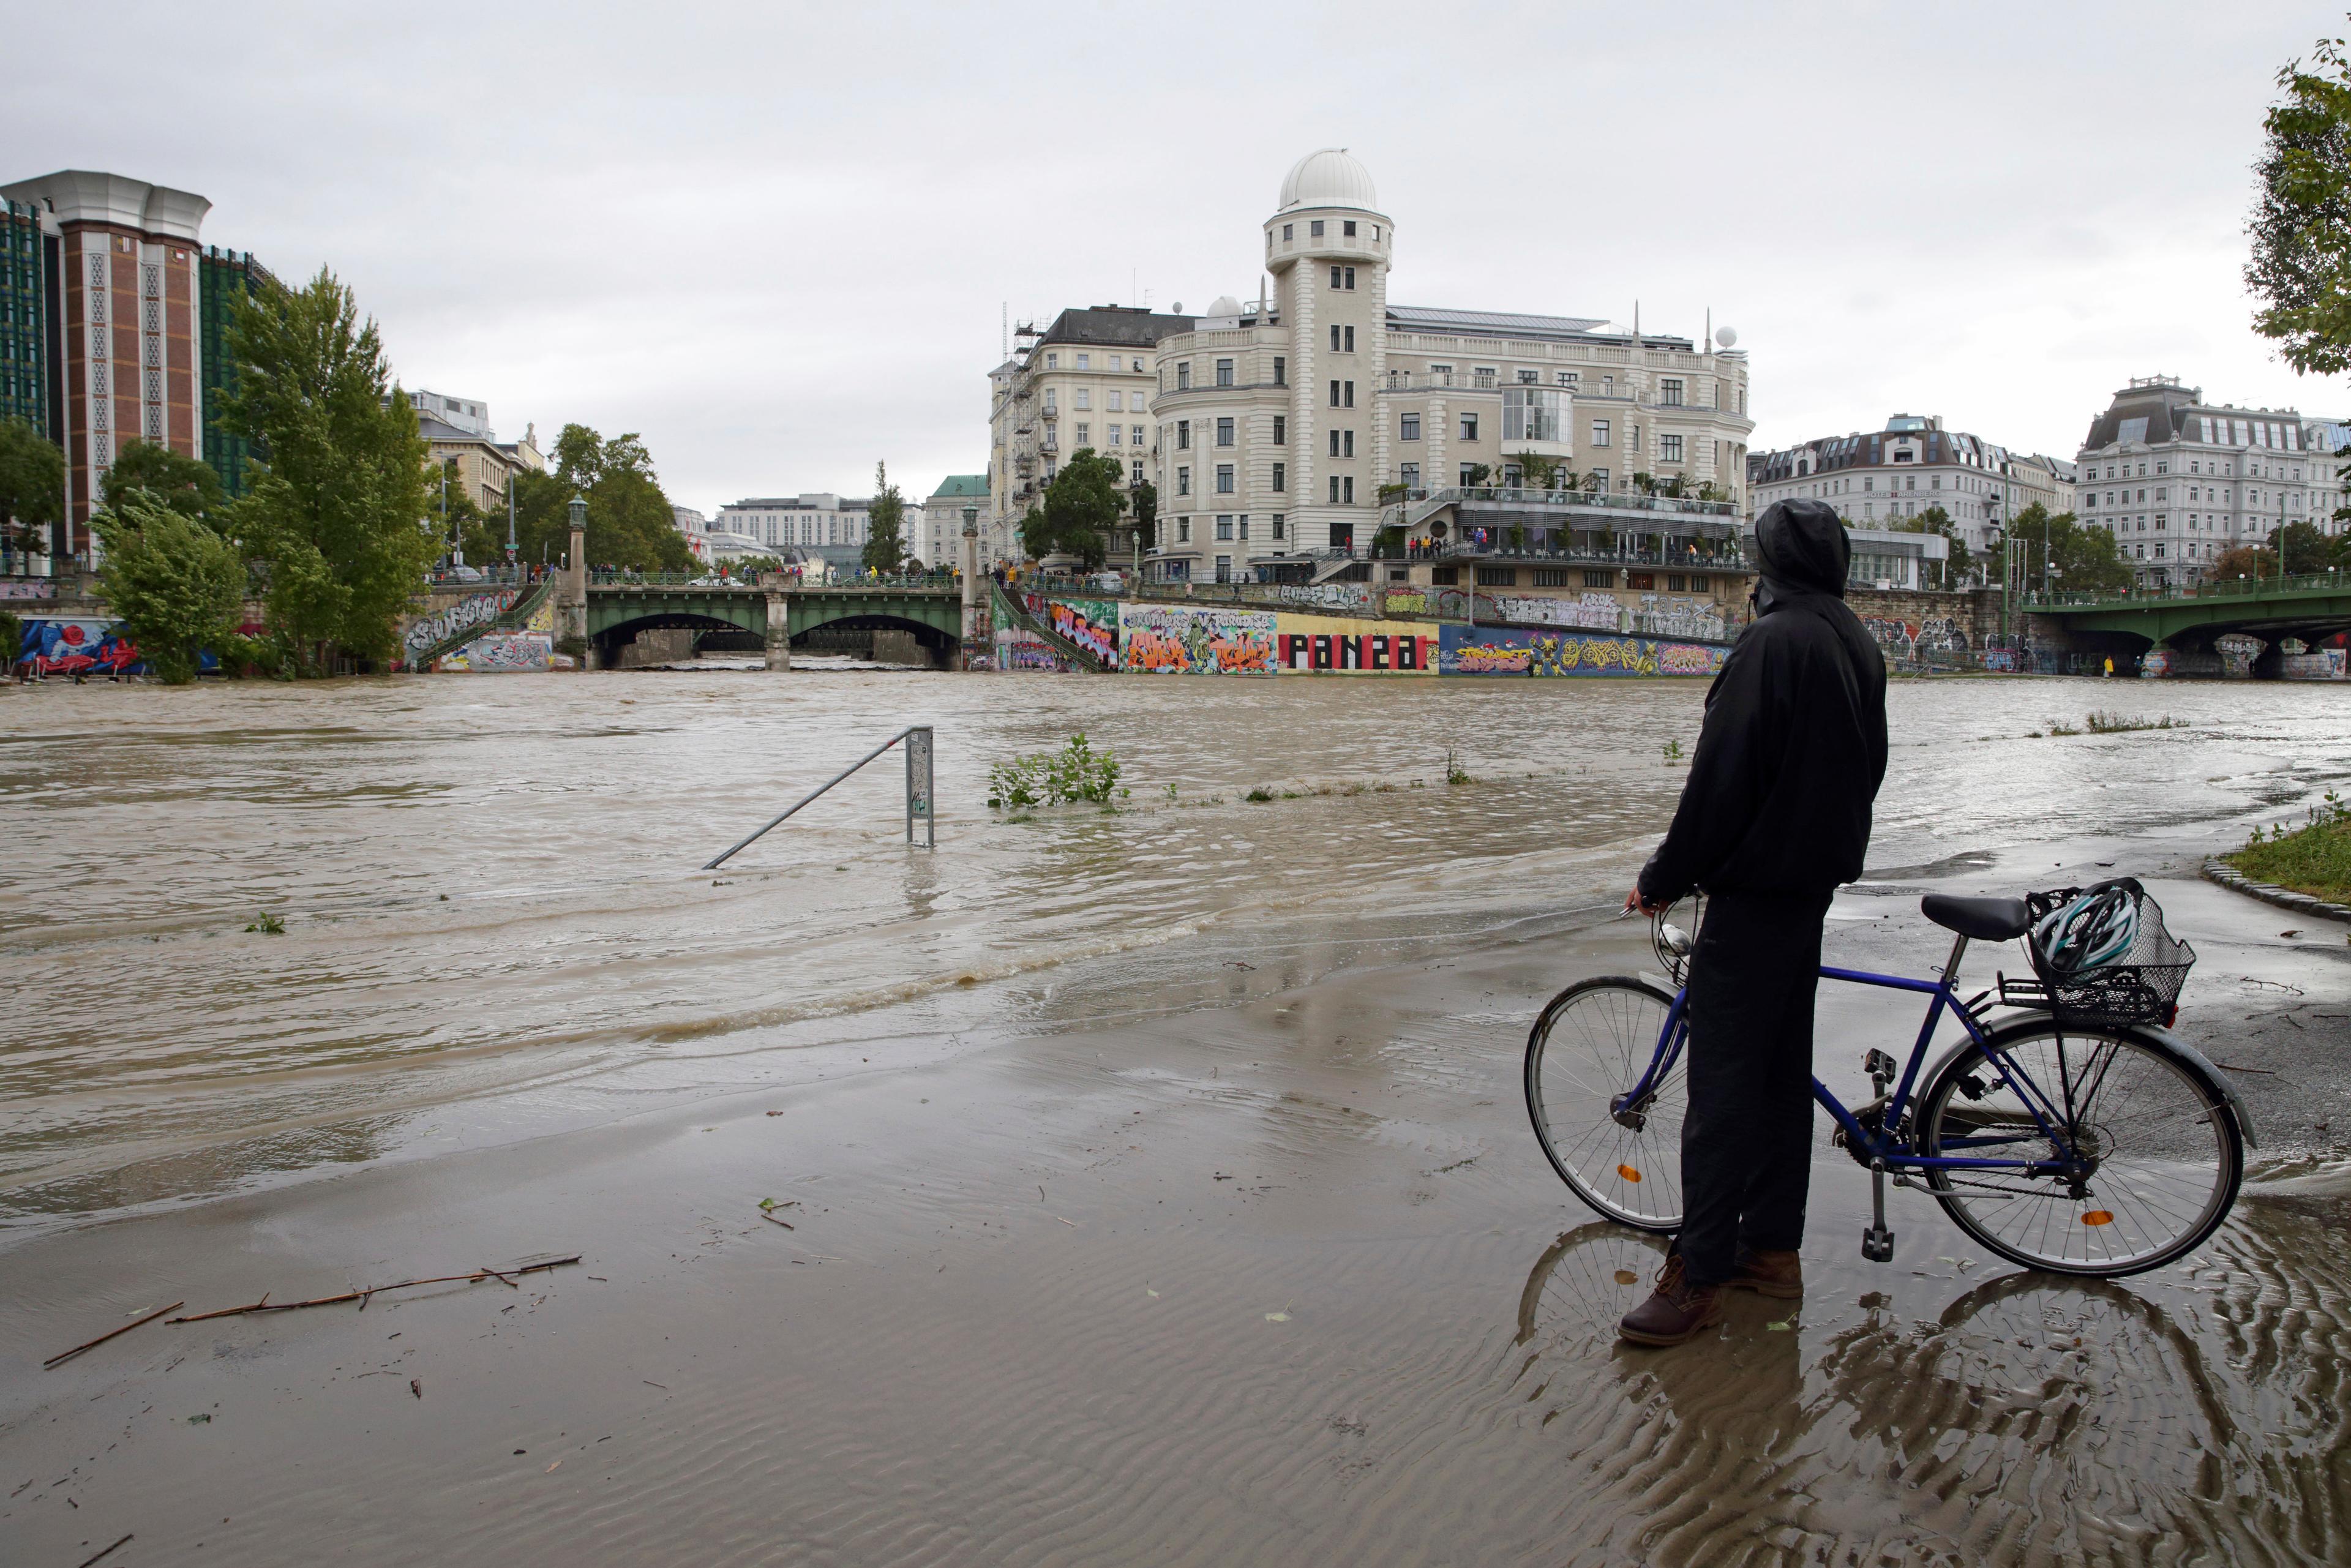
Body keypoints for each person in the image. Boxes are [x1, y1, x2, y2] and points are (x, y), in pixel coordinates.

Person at [1616, 498, 1889, 1348]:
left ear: (1768, 565)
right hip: (1809, 889)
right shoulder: (1854, 639)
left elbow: (1720, 781)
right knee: (1778, 1081)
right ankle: (1772, 1252)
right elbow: (1869, 766)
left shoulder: (1771, 644)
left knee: (1724, 1093)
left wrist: (1665, 875)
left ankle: (1696, 1275)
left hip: (1755, 893)